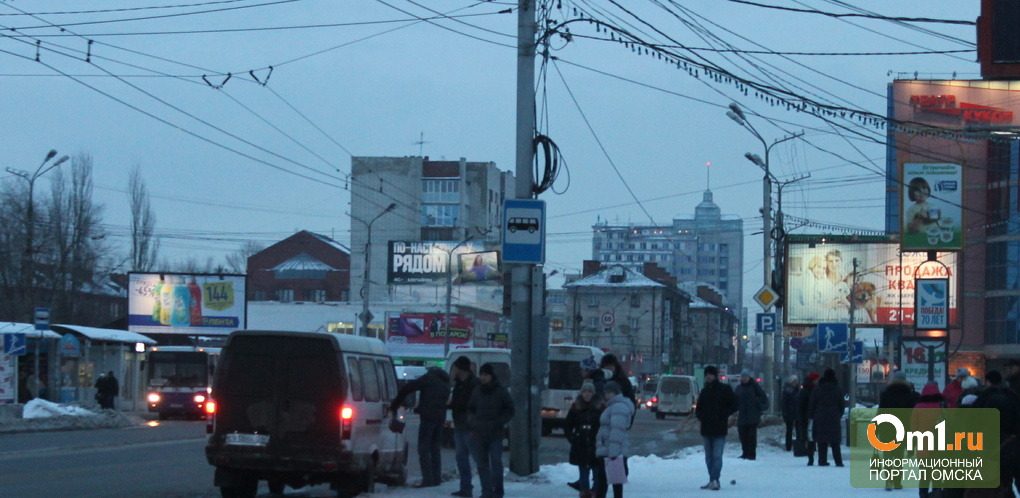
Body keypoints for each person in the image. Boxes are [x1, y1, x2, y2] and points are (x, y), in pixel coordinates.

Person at [390, 366, 451, 488]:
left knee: (423, 449)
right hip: (440, 418)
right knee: (435, 448)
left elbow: (409, 387)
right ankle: (436, 478)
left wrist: (395, 404)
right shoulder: (445, 382)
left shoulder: (429, 378)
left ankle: (428, 479)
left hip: (428, 417)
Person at [468, 363, 514, 498]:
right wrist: (472, 421)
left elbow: (510, 409)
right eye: (481, 374)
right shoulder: (477, 391)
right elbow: (470, 408)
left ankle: (498, 491)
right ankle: (486, 491)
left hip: (495, 433)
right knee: (482, 465)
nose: (483, 377)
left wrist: (499, 422)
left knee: (496, 463)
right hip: (479, 433)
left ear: (491, 376)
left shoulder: (501, 391)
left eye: (486, 375)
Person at [971, 370, 1020, 496]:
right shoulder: (1012, 396)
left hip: (991, 449)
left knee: (998, 485)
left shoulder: (984, 398)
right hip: (1012, 445)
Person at [695, 365, 739, 491]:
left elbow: (735, 404)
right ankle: (712, 479)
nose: (708, 377)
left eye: (710, 374)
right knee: (708, 457)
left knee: (717, 455)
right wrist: (702, 417)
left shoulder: (724, 389)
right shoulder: (704, 391)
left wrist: (724, 414)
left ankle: (715, 479)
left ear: (715, 375)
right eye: (706, 375)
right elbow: (699, 409)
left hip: (719, 427)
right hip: (706, 428)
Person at [878, 371, 918, 490]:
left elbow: (880, 412)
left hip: (887, 427)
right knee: (898, 457)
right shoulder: (910, 395)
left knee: (888, 456)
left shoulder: (885, 394)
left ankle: (888, 481)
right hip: (903, 428)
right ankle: (897, 482)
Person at [595, 380, 634, 498]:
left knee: (605, 482)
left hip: (611, 451)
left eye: (609, 392)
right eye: (605, 392)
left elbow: (617, 431)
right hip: (609, 449)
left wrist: (613, 453)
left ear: (615, 393)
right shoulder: (614, 406)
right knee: (612, 482)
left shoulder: (618, 407)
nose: (606, 395)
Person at [448, 356, 479, 498]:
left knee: (479, 459)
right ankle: (465, 488)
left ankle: (489, 489)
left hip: (471, 428)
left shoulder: (474, 385)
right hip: (460, 426)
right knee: (461, 459)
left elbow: (472, 405)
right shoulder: (459, 384)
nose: (453, 370)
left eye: (455, 367)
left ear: (461, 369)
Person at [566, 380, 604, 495]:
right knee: (583, 472)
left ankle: (596, 492)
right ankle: (584, 493)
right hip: (580, 445)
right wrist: (572, 438)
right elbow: (568, 424)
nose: (587, 394)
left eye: (589, 391)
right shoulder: (576, 407)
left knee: (597, 472)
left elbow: (605, 424)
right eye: (584, 391)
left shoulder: (600, 407)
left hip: (596, 445)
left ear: (593, 393)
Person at [911, 382, 945, 498]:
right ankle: (937, 494)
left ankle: (923, 495)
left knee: (924, 476)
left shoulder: (918, 408)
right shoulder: (941, 407)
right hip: (939, 447)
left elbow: (913, 429)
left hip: (923, 447)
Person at [808, 369, 844, 467]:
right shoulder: (837, 389)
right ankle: (838, 461)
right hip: (834, 417)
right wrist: (838, 415)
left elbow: (812, 403)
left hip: (820, 417)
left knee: (821, 440)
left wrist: (812, 415)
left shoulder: (818, 388)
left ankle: (822, 460)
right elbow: (841, 405)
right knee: (835, 441)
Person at [734, 369, 769, 460]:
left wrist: (758, 405)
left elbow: (764, 399)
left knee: (751, 436)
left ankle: (751, 454)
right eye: (743, 377)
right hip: (742, 416)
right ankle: (744, 453)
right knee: (742, 436)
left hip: (752, 416)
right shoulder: (739, 388)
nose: (744, 378)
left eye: (746, 376)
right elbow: (735, 400)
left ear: (749, 377)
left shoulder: (755, 387)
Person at [797, 372, 820, 465]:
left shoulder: (814, 390)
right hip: (809, 418)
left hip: (814, 417)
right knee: (810, 438)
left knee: (813, 437)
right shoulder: (806, 391)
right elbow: (801, 407)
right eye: (817, 379)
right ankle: (811, 457)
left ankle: (814, 457)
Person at [781, 374, 800, 452]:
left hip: (796, 412)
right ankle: (789, 446)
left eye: (796, 381)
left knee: (798, 430)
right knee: (789, 430)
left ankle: (798, 445)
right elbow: (784, 403)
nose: (796, 383)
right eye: (794, 381)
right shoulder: (787, 391)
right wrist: (785, 413)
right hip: (790, 413)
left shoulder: (797, 390)